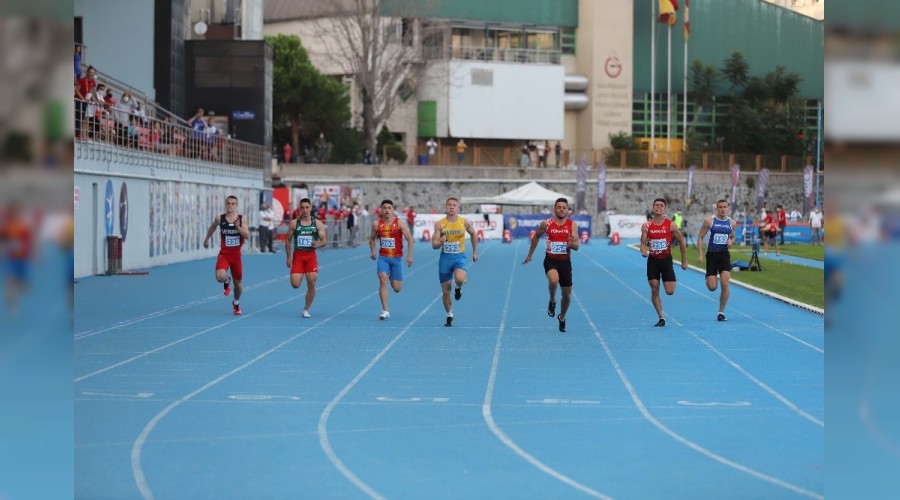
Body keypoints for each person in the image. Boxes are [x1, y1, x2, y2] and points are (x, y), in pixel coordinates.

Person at [522, 197, 580, 333]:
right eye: (559, 207)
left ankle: (562, 317)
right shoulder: (546, 224)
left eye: (564, 207)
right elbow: (536, 236)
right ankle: (552, 300)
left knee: (567, 295)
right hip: (551, 260)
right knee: (554, 280)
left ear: (567, 210)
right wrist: (530, 254)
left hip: (565, 262)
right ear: (555, 209)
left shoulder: (572, 225)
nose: (561, 209)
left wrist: (572, 244)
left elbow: (577, 246)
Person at [640, 198, 688, 327]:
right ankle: (661, 317)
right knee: (654, 287)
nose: (659, 207)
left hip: (666, 260)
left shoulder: (671, 225)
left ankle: (660, 288)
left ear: (665, 209)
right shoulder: (646, 226)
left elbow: (682, 242)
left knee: (670, 291)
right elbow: (643, 244)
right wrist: (643, 250)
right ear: (653, 208)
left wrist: (684, 260)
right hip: (653, 261)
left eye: (661, 205)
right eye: (656, 205)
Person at [432, 197, 479, 327]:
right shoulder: (439, 224)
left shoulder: (464, 222)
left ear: (457, 207)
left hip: (459, 258)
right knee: (446, 291)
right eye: (449, 205)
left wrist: (475, 251)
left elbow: (474, 235)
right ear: (446, 207)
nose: (451, 207)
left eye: (454, 205)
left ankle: (458, 288)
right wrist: (440, 242)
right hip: (445, 260)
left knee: (459, 278)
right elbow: (434, 245)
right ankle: (449, 314)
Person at [203, 195, 250, 315]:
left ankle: (236, 302)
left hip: (236, 256)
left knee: (238, 285)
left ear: (236, 205)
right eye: (228, 203)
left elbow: (247, 235)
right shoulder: (220, 218)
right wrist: (207, 239)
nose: (230, 205)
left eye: (233, 203)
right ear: (225, 204)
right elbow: (213, 227)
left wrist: (238, 227)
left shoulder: (241, 218)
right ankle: (226, 280)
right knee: (219, 276)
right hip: (224, 254)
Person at [370, 200, 415, 320]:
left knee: (397, 288)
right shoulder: (376, 224)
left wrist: (409, 256)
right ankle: (385, 310)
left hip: (396, 259)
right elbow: (372, 239)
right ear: (381, 210)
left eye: (389, 208)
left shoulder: (399, 223)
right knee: (382, 279)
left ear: (393, 210)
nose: (386, 210)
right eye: (384, 208)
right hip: (383, 258)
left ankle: (392, 277)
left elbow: (410, 239)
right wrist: (372, 251)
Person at [697, 199, 738, 322]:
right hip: (712, 255)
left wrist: (731, 241)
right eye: (720, 207)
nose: (723, 209)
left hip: (724, 255)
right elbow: (700, 237)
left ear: (728, 208)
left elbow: (733, 236)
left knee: (725, 283)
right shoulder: (709, 221)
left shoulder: (732, 222)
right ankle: (709, 277)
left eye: (725, 207)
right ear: (717, 208)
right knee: (712, 287)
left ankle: (721, 312)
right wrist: (700, 254)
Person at [286, 198, 328, 318]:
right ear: (299, 209)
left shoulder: (317, 223)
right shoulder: (294, 223)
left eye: (307, 207)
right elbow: (287, 240)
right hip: (298, 256)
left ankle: (306, 309)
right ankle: (300, 274)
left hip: (310, 257)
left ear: (310, 208)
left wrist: (318, 244)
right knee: (295, 284)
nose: (304, 210)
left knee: (311, 282)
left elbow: (324, 240)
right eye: (302, 208)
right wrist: (289, 257)